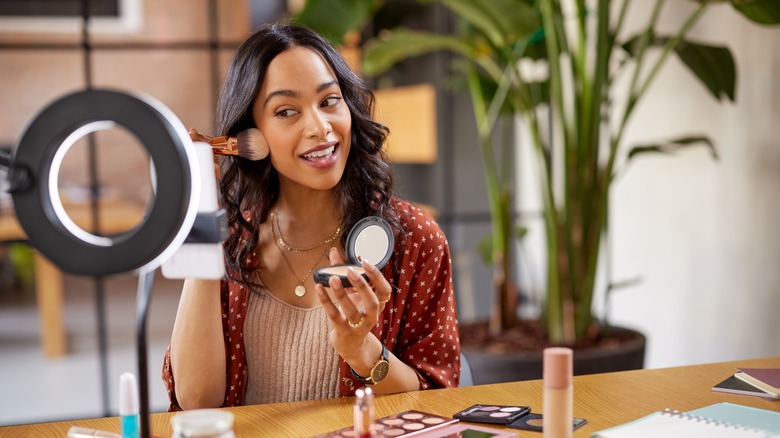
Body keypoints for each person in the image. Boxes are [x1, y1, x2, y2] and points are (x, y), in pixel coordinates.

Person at [162, 22, 460, 410]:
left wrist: (361, 351)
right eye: (286, 111)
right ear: (251, 135)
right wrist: (204, 227)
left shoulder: (414, 239)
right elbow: (197, 403)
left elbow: (438, 399)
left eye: (329, 101)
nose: (319, 128)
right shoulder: (231, 239)